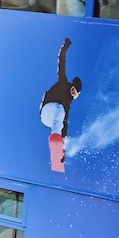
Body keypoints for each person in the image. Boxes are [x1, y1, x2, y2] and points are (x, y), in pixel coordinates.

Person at [39, 37, 82, 172]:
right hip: (48, 108)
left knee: (64, 120)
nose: (73, 95)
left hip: (51, 122)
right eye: (73, 91)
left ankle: (56, 139)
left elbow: (64, 127)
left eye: (75, 94)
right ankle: (55, 136)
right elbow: (61, 64)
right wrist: (65, 48)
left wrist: (61, 152)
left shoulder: (66, 106)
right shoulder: (64, 83)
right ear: (71, 87)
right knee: (61, 110)